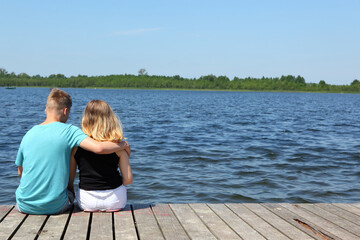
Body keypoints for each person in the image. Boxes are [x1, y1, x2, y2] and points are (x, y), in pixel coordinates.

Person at [15, 88, 130, 215]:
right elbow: (99, 148)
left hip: (23, 205)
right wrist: (123, 144)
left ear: (46, 110)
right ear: (65, 111)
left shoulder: (28, 134)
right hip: (56, 206)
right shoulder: (70, 131)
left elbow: (21, 173)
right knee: (68, 194)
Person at [69, 100, 133, 212]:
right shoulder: (119, 147)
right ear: (110, 119)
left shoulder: (76, 148)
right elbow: (128, 180)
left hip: (87, 201)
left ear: (86, 119)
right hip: (115, 200)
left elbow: (70, 179)